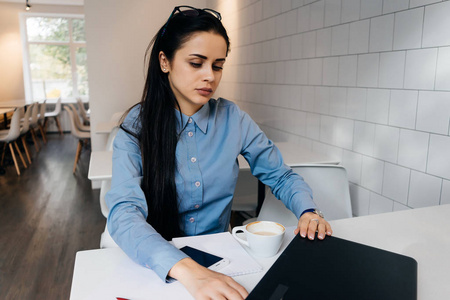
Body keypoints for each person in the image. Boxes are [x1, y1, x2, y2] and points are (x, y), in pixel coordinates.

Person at [106, 5, 332, 300]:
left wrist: (308, 211)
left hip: (224, 258)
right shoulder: (136, 127)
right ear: (165, 61)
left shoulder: (233, 118)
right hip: (158, 264)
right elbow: (124, 214)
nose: (209, 76)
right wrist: (188, 270)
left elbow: (280, 175)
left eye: (217, 65)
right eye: (196, 63)